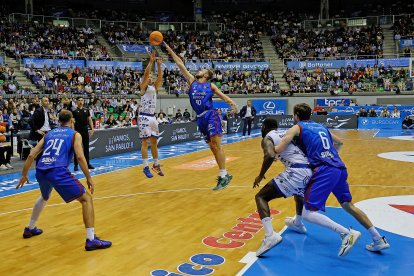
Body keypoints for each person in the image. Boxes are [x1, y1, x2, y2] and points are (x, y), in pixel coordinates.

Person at [274, 103, 390, 256]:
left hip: (325, 170)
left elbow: (282, 146)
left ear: (296, 116)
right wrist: (330, 156)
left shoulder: (297, 128)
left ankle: (345, 234)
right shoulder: (321, 127)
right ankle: (378, 239)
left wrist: (271, 151)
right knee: (348, 206)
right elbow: (340, 142)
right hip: (339, 168)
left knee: (309, 212)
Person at [16, 110, 111, 251]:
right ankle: (91, 239)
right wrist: (89, 177)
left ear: (58, 120)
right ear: (72, 120)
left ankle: (30, 228)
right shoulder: (74, 134)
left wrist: (24, 175)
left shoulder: (49, 134)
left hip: (41, 170)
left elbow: (31, 155)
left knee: (44, 195)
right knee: (86, 199)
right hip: (58, 171)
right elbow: (80, 157)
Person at [164, 42, 237, 190]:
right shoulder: (192, 82)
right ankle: (224, 174)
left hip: (211, 114)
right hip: (200, 117)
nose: (200, 70)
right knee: (211, 147)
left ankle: (224, 174)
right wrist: (170, 50)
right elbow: (179, 64)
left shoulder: (210, 86)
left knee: (216, 144)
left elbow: (223, 97)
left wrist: (233, 104)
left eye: (202, 69)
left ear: (206, 75)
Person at [253, 118, 312, 257]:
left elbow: (269, 156)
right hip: (309, 171)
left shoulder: (268, 137)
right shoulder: (286, 133)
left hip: (297, 171)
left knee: (261, 196)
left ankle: (270, 236)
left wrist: (260, 175)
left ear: (264, 126)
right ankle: (298, 223)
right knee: (298, 193)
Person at [138, 52, 163, 178]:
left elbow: (159, 78)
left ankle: (156, 164)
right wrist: (151, 62)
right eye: (148, 77)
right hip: (144, 116)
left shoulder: (154, 87)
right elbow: (146, 74)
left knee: (154, 142)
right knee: (144, 142)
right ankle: (145, 166)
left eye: (151, 77)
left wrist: (159, 66)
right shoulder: (143, 87)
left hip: (153, 117)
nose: (150, 78)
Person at [72, 97, 95, 171]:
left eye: (82, 100)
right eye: (79, 100)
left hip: (85, 130)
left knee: (86, 148)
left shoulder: (86, 110)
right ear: (76, 102)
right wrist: (73, 131)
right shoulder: (74, 111)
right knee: (77, 148)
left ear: (83, 101)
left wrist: (92, 128)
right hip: (77, 131)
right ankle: (76, 164)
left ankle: (87, 163)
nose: (80, 102)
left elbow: (90, 119)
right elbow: (72, 121)